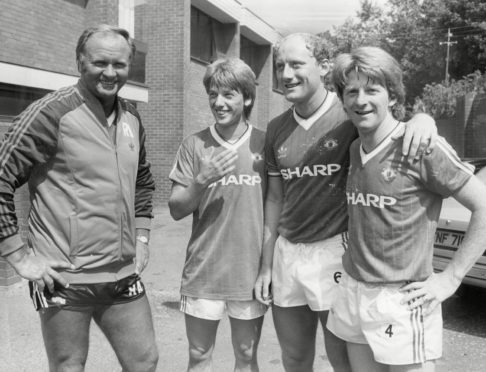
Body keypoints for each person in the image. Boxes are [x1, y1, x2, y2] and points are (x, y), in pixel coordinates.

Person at [253, 33, 438, 372]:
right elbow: (275, 197)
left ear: (322, 66)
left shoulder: (350, 112)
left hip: (334, 252)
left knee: (343, 361)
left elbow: (396, 123)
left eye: (296, 64)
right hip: (288, 252)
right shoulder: (276, 128)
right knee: (293, 357)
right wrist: (266, 264)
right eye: (280, 66)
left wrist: (424, 119)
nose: (287, 74)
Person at [0, 25, 158, 371]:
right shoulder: (50, 113)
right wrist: (18, 256)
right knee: (69, 365)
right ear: (79, 62)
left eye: (119, 64)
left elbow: (142, 180)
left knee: (145, 361)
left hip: (122, 274)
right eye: (99, 62)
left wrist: (142, 236)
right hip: (64, 278)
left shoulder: (132, 114)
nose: (110, 72)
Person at [326, 46, 486, 372]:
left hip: (402, 298)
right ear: (343, 100)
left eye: (373, 89)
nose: (361, 100)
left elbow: (483, 205)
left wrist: (451, 278)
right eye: (352, 91)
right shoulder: (355, 148)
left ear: (394, 97)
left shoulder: (421, 146)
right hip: (355, 290)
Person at [168, 58, 267, 372]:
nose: (218, 102)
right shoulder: (194, 145)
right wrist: (202, 179)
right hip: (204, 271)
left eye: (228, 94)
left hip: (250, 274)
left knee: (247, 356)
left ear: (247, 97)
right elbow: (175, 209)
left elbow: (280, 207)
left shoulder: (266, 143)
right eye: (213, 94)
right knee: (199, 357)